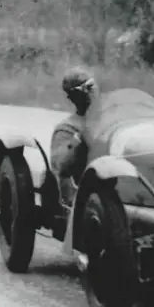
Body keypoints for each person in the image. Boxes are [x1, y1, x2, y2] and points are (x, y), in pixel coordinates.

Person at [49, 65, 99, 206]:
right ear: (73, 96)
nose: (92, 92)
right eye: (86, 88)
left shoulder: (107, 118)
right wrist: (79, 140)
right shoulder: (67, 129)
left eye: (92, 86)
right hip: (82, 197)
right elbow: (60, 166)